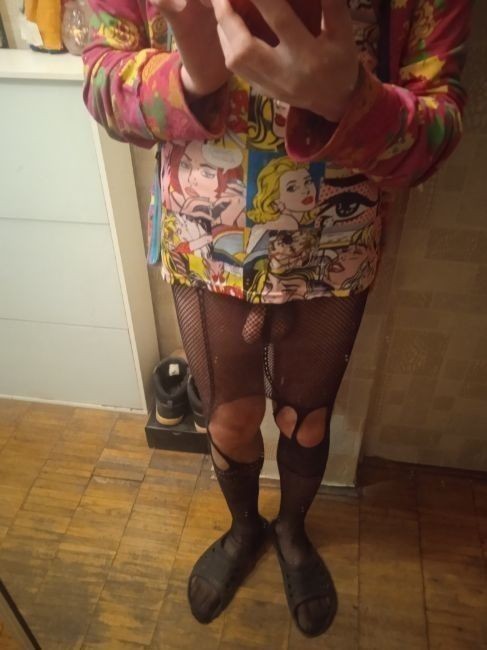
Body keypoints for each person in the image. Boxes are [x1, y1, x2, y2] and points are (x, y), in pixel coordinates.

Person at [82, 0, 471, 637]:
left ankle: (291, 530)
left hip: (337, 240)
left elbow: (440, 127)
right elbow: (101, 81)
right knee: (227, 419)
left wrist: (351, 100)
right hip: (206, 238)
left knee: (307, 421)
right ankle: (244, 529)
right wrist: (190, 78)